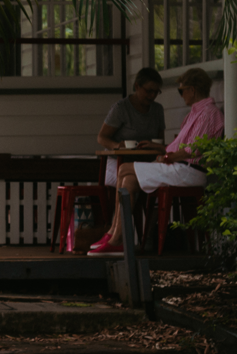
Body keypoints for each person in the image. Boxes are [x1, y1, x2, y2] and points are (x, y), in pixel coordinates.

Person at [88, 67, 224, 256]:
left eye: (181, 90)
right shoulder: (194, 113)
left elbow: (196, 148)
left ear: (192, 90)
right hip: (182, 167)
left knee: (125, 169)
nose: (181, 94)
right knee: (128, 180)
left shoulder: (208, 113)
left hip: (190, 170)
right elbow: (181, 146)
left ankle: (116, 236)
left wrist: (169, 157)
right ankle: (116, 237)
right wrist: (162, 149)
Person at [97, 68, 166, 186]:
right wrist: (117, 146)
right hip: (118, 162)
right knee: (130, 180)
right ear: (137, 86)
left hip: (146, 163)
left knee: (159, 180)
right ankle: (125, 204)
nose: (152, 95)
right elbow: (101, 137)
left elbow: (160, 142)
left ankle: (143, 204)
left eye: (156, 92)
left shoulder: (157, 109)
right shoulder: (121, 108)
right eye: (149, 91)